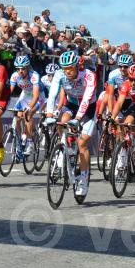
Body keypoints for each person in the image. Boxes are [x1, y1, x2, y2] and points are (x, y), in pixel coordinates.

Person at [45, 50, 98, 197]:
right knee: (61, 122)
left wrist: (79, 118)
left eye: (70, 68)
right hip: (71, 103)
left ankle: (83, 178)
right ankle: (66, 148)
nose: (67, 71)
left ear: (77, 66)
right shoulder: (59, 74)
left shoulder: (88, 76)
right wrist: (49, 114)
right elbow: (52, 95)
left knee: (82, 144)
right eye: (64, 68)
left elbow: (87, 99)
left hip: (88, 109)